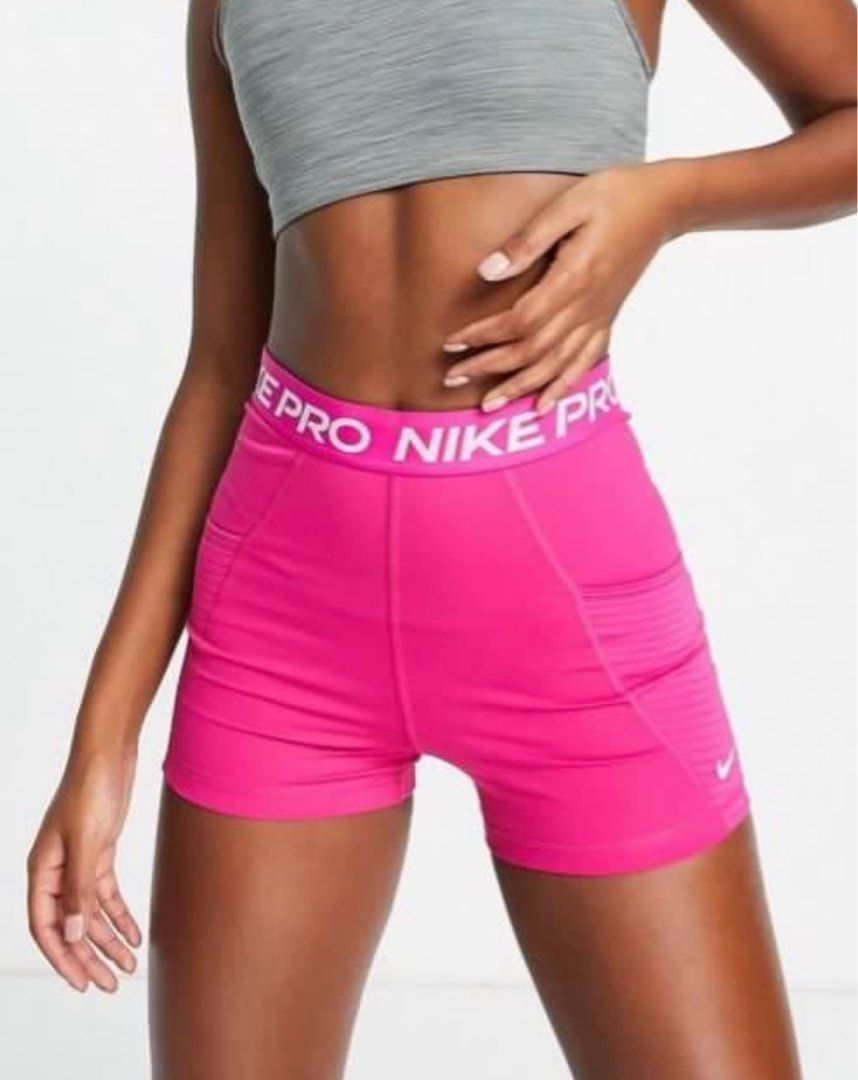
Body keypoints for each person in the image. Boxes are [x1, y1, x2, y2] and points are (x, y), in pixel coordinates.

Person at [27, 1, 855, 1077]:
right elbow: (222, 363)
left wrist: (666, 200)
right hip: (283, 630)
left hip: (569, 613)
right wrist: (103, 740)